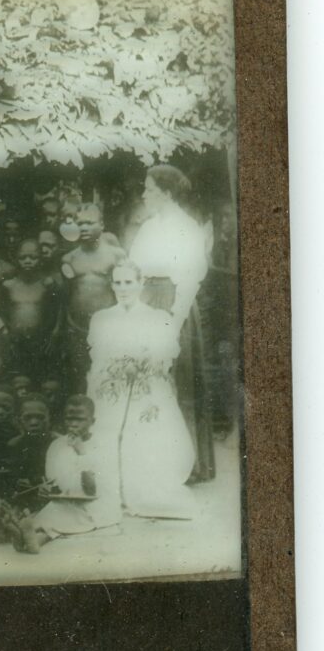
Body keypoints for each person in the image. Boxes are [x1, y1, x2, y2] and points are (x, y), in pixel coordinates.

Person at [87, 261, 196, 519]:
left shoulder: (157, 318)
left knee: (144, 430)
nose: (123, 288)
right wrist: (114, 375)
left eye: (128, 282)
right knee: (107, 429)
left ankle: (142, 490)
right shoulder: (102, 319)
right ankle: (112, 491)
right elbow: (98, 359)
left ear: (140, 283)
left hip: (144, 388)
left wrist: (142, 366)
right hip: (112, 388)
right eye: (118, 283)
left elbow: (165, 356)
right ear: (111, 285)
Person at [127, 164, 215, 481]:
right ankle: (150, 463)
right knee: (144, 380)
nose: (144, 194)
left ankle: (186, 465)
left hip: (173, 306)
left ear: (165, 193)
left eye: (149, 189)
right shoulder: (149, 227)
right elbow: (134, 267)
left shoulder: (186, 228)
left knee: (175, 380)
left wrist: (173, 323)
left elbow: (190, 279)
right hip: (146, 303)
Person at [24, 395, 123, 548]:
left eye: (79, 419)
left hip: (95, 504)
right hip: (66, 502)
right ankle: (31, 539)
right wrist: (47, 489)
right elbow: (53, 481)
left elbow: (91, 490)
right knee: (46, 515)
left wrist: (81, 452)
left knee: (60, 518)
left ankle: (38, 539)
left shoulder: (103, 446)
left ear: (92, 421)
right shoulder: (56, 445)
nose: (73, 424)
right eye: (69, 419)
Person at [61, 203, 127, 392]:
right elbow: (66, 295)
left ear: (102, 224)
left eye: (89, 223)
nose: (83, 228)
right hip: (78, 327)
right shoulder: (69, 258)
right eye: (79, 223)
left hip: (109, 327)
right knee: (81, 376)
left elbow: (127, 291)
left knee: (110, 375)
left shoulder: (116, 255)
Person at [0, 239, 61, 382]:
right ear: (16, 259)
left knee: (40, 379)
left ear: (40, 259)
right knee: (18, 380)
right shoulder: (9, 285)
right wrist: (6, 334)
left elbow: (59, 308)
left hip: (41, 342)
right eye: (23, 258)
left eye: (33, 258)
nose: (28, 261)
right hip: (16, 343)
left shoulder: (47, 284)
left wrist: (55, 332)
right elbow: (1, 312)